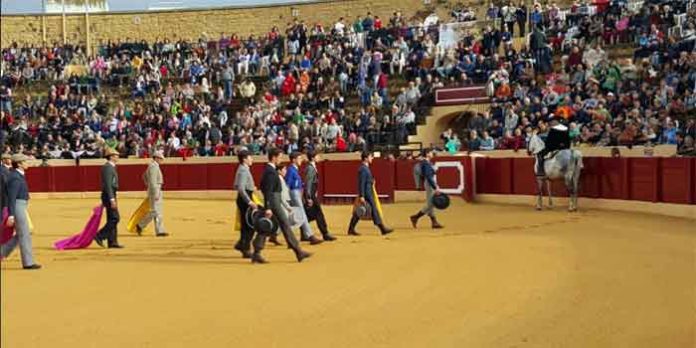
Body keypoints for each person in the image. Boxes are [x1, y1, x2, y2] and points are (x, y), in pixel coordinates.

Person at [255, 148, 311, 264]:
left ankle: (257, 251)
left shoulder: (269, 170)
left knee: (267, 226)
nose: (280, 159)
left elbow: (262, 186)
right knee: (284, 224)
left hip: (274, 200)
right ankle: (298, 251)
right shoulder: (270, 171)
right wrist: (269, 207)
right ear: (274, 157)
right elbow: (268, 190)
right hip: (274, 201)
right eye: (279, 157)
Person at [0, 154, 41, 269]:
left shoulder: (18, 175)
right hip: (18, 206)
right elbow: (12, 197)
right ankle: (28, 262)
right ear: (19, 164)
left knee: (23, 233)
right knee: (24, 234)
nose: (27, 163)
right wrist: (11, 215)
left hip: (21, 206)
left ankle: (2, 252)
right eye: (25, 161)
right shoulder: (15, 177)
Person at [347, 152, 394, 236]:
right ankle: (382, 228)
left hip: (368, 192)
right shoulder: (363, 169)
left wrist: (372, 181)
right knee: (368, 210)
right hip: (366, 193)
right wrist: (362, 195)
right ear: (365, 158)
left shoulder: (365, 168)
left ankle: (351, 229)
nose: (372, 158)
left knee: (363, 210)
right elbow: (361, 183)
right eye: (370, 157)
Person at [286, 152, 323, 245]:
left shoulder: (294, 169)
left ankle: (274, 234)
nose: (301, 160)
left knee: (287, 216)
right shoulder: (291, 170)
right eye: (299, 158)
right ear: (293, 160)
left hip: (296, 193)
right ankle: (310, 236)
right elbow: (287, 184)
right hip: (294, 194)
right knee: (301, 214)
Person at [303, 152, 336, 241]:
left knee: (307, 215)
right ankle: (325, 233)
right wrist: (309, 197)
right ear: (313, 158)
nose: (319, 157)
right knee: (318, 213)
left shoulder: (312, 167)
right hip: (311, 194)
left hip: (311, 193)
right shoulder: (310, 168)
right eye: (317, 156)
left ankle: (303, 233)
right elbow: (308, 184)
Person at [94, 147, 124, 248]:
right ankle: (99, 235)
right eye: (116, 155)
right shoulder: (108, 167)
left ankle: (112, 242)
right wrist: (111, 199)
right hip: (109, 195)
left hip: (110, 194)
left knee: (112, 218)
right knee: (115, 218)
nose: (118, 157)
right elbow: (108, 185)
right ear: (111, 157)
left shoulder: (111, 166)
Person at [233, 150, 260, 259]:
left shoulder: (242, 169)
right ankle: (244, 247)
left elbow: (236, 185)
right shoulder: (243, 170)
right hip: (245, 199)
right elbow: (240, 188)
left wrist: (251, 187)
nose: (252, 159)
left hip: (245, 197)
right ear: (244, 159)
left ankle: (243, 245)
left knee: (247, 224)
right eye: (250, 157)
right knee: (250, 225)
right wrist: (249, 201)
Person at [135, 150, 168, 237]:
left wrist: (148, 186)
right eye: (160, 158)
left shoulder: (152, 166)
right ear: (156, 158)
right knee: (156, 211)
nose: (162, 160)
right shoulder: (153, 166)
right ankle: (141, 225)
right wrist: (155, 191)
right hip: (155, 190)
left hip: (154, 189)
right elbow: (153, 181)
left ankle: (145, 226)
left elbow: (144, 176)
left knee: (156, 211)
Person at [410, 148, 444, 229]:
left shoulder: (426, 162)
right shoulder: (426, 163)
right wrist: (435, 187)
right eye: (431, 153)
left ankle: (434, 222)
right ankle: (415, 217)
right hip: (430, 183)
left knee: (431, 202)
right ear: (428, 153)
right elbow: (428, 176)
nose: (433, 154)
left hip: (430, 182)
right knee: (431, 203)